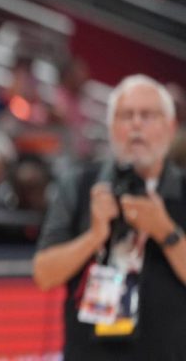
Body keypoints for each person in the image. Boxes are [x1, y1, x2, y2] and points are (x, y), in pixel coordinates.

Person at [33, 74, 186, 360]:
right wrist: (94, 236)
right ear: (112, 127)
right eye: (126, 116)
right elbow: (43, 274)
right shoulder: (79, 185)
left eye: (148, 115)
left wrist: (166, 231)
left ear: (170, 126)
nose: (136, 124)